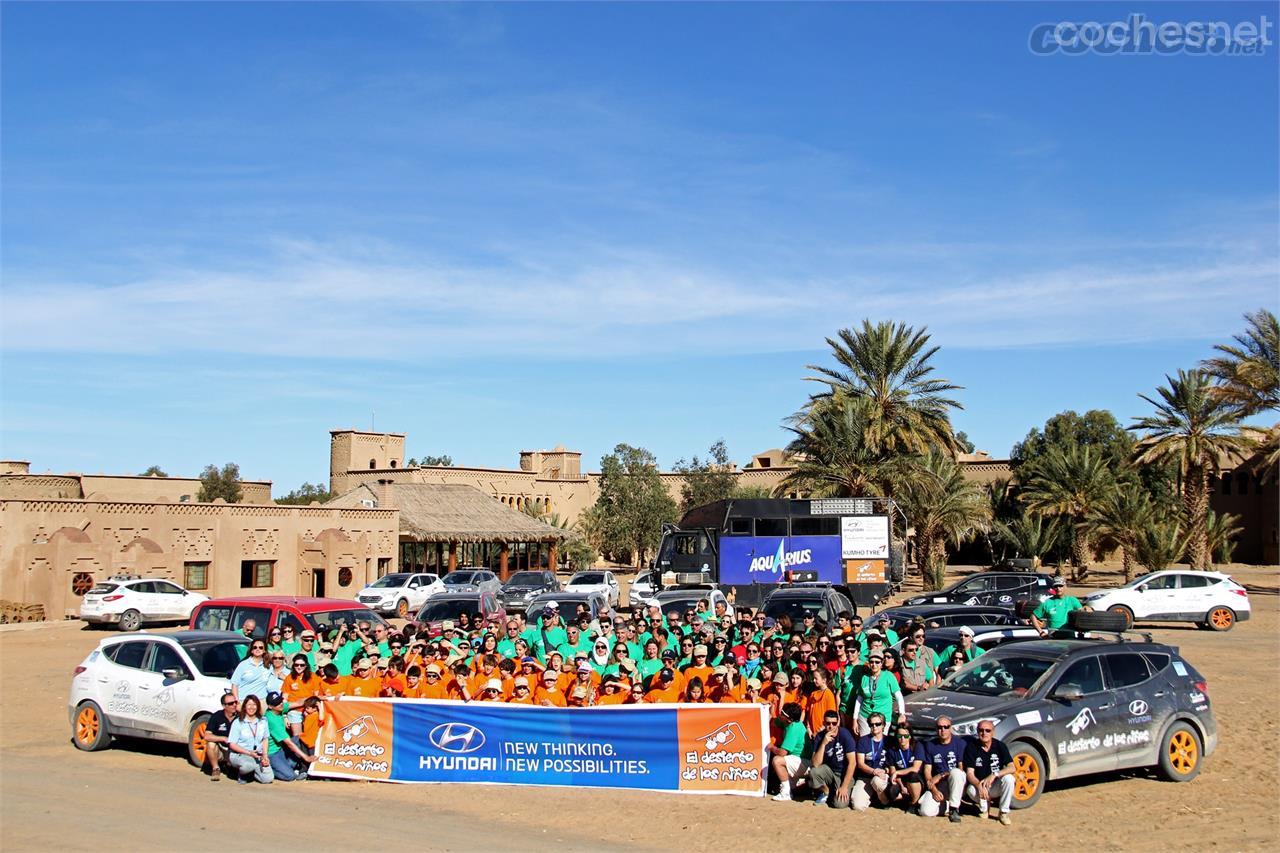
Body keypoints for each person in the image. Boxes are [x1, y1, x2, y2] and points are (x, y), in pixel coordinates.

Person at [963, 719, 1016, 825]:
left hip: (995, 784)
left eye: (988, 730)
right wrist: (978, 785)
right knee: (970, 789)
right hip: (980, 785)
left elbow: (1012, 768)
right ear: (977, 732)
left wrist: (994, 775)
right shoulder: (971, 747)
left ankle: (1003, 813)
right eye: (981, 730)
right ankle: (984, 808)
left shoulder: (1000, 746)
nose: (984, 733)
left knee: (1009, 779)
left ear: (993, 732)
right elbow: (969, 773)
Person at [918, 716, 966, 822]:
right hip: (939, 785)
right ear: (936, 729)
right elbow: (927, 770)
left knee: (956, 773)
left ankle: (954, 809)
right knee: (925, 812)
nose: (942, 730)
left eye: (946, 727)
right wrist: (934, 789)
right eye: (939, 727)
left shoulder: (959, 743)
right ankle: (947, 805)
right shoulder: (931, 745)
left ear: (950, 728)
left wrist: (941, 775)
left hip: (954, 782)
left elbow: (961, 768)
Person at [805, 710, 857, 808]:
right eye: (828, 723)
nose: (831, 726)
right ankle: (825, 791)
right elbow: (815, 764)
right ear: (824, 723)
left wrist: (844, 786)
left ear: (838, 722)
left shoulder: (845, 735)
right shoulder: (820, 737)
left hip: (843, 773)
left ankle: (840, 791)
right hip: (829, 771)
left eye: (834, 723)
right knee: (813, 772)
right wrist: (823, 743)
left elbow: (852, 763)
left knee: (839, 804)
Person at [850, 653, 905, 735]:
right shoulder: (865, 678)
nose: (874, 665)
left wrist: (902, 714)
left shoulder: (888, 676)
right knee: (865, 742)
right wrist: (855, 719)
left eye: (877, 662)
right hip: (865, 716)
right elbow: (859, 699)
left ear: (882, 663)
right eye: (871, 662)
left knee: (880, 743)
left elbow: (899, 697)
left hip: (883, 717)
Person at [265, 692, 315, 781]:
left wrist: (317, 698)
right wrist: (306, 757)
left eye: (280, 701)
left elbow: (299, 703)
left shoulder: (279, 708)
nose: (280, 704)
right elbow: (289, 743)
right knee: (290, 776)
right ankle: (266, 769)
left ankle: (284, 765)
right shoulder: (271, 720)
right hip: (272, 753)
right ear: (270, 707)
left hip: (281, 748)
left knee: (300, 738)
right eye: (276, 703)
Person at [226, 695, 273, 784]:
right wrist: (249, 753)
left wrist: (265, 755)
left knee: (268, 778)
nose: (252, 707)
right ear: (244, 707)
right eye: (249, 705)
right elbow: (232, 744)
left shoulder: (263, 721)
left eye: (254, 704)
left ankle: (251, 773)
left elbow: (265, 739)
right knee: (248, 765)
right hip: (240, 754)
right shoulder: (238, 722)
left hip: (257, 755)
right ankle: (241, 774)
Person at [768, 702, 809, 802]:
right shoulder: (787, 722)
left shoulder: (793, 728)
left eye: (782, 714)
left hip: (803, 761)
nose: (780, 714)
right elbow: (773, 721)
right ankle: (797, 783)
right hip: (795, 759)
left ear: (789, 719)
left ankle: (786, 793)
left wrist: (772, 747)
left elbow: (782, 753)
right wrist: (770, 708)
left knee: (777, 760)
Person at [852, 713, 892, 810]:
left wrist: (885, 771)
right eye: (871, 724)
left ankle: (884, 801)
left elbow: (892, 763)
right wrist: (873, 771)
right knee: (857, 806)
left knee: (877, 781)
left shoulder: (889, 741)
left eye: (877, 724)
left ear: (883, 725)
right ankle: (874, 797)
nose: (874, 726)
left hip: (882, 775)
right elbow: (860, 764)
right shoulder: (863, 741)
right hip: (866, 776)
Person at [201, 694, 239, 781]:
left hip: (235, 749)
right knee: (211, 744)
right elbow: (207, 736)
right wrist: (223, 738)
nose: (234, 705)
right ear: (224, 705)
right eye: (230, 703)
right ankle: (215, 769)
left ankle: (230, 766)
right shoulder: (217, 716)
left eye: (235, 702)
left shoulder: (240, 717)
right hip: (221, 749)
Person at [887, 725, 925, 810]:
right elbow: (893, 772)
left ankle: (914, 803)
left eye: (906, 736)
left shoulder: (917, 746)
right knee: (891, 792)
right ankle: (906, 800)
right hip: (901, 780)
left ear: (910, 736)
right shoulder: (892, 750)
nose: (902, 739)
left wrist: (898, 772)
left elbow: (916, 768)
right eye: (900, 736)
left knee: (912, 776)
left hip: (916, 780)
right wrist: (901, 786)